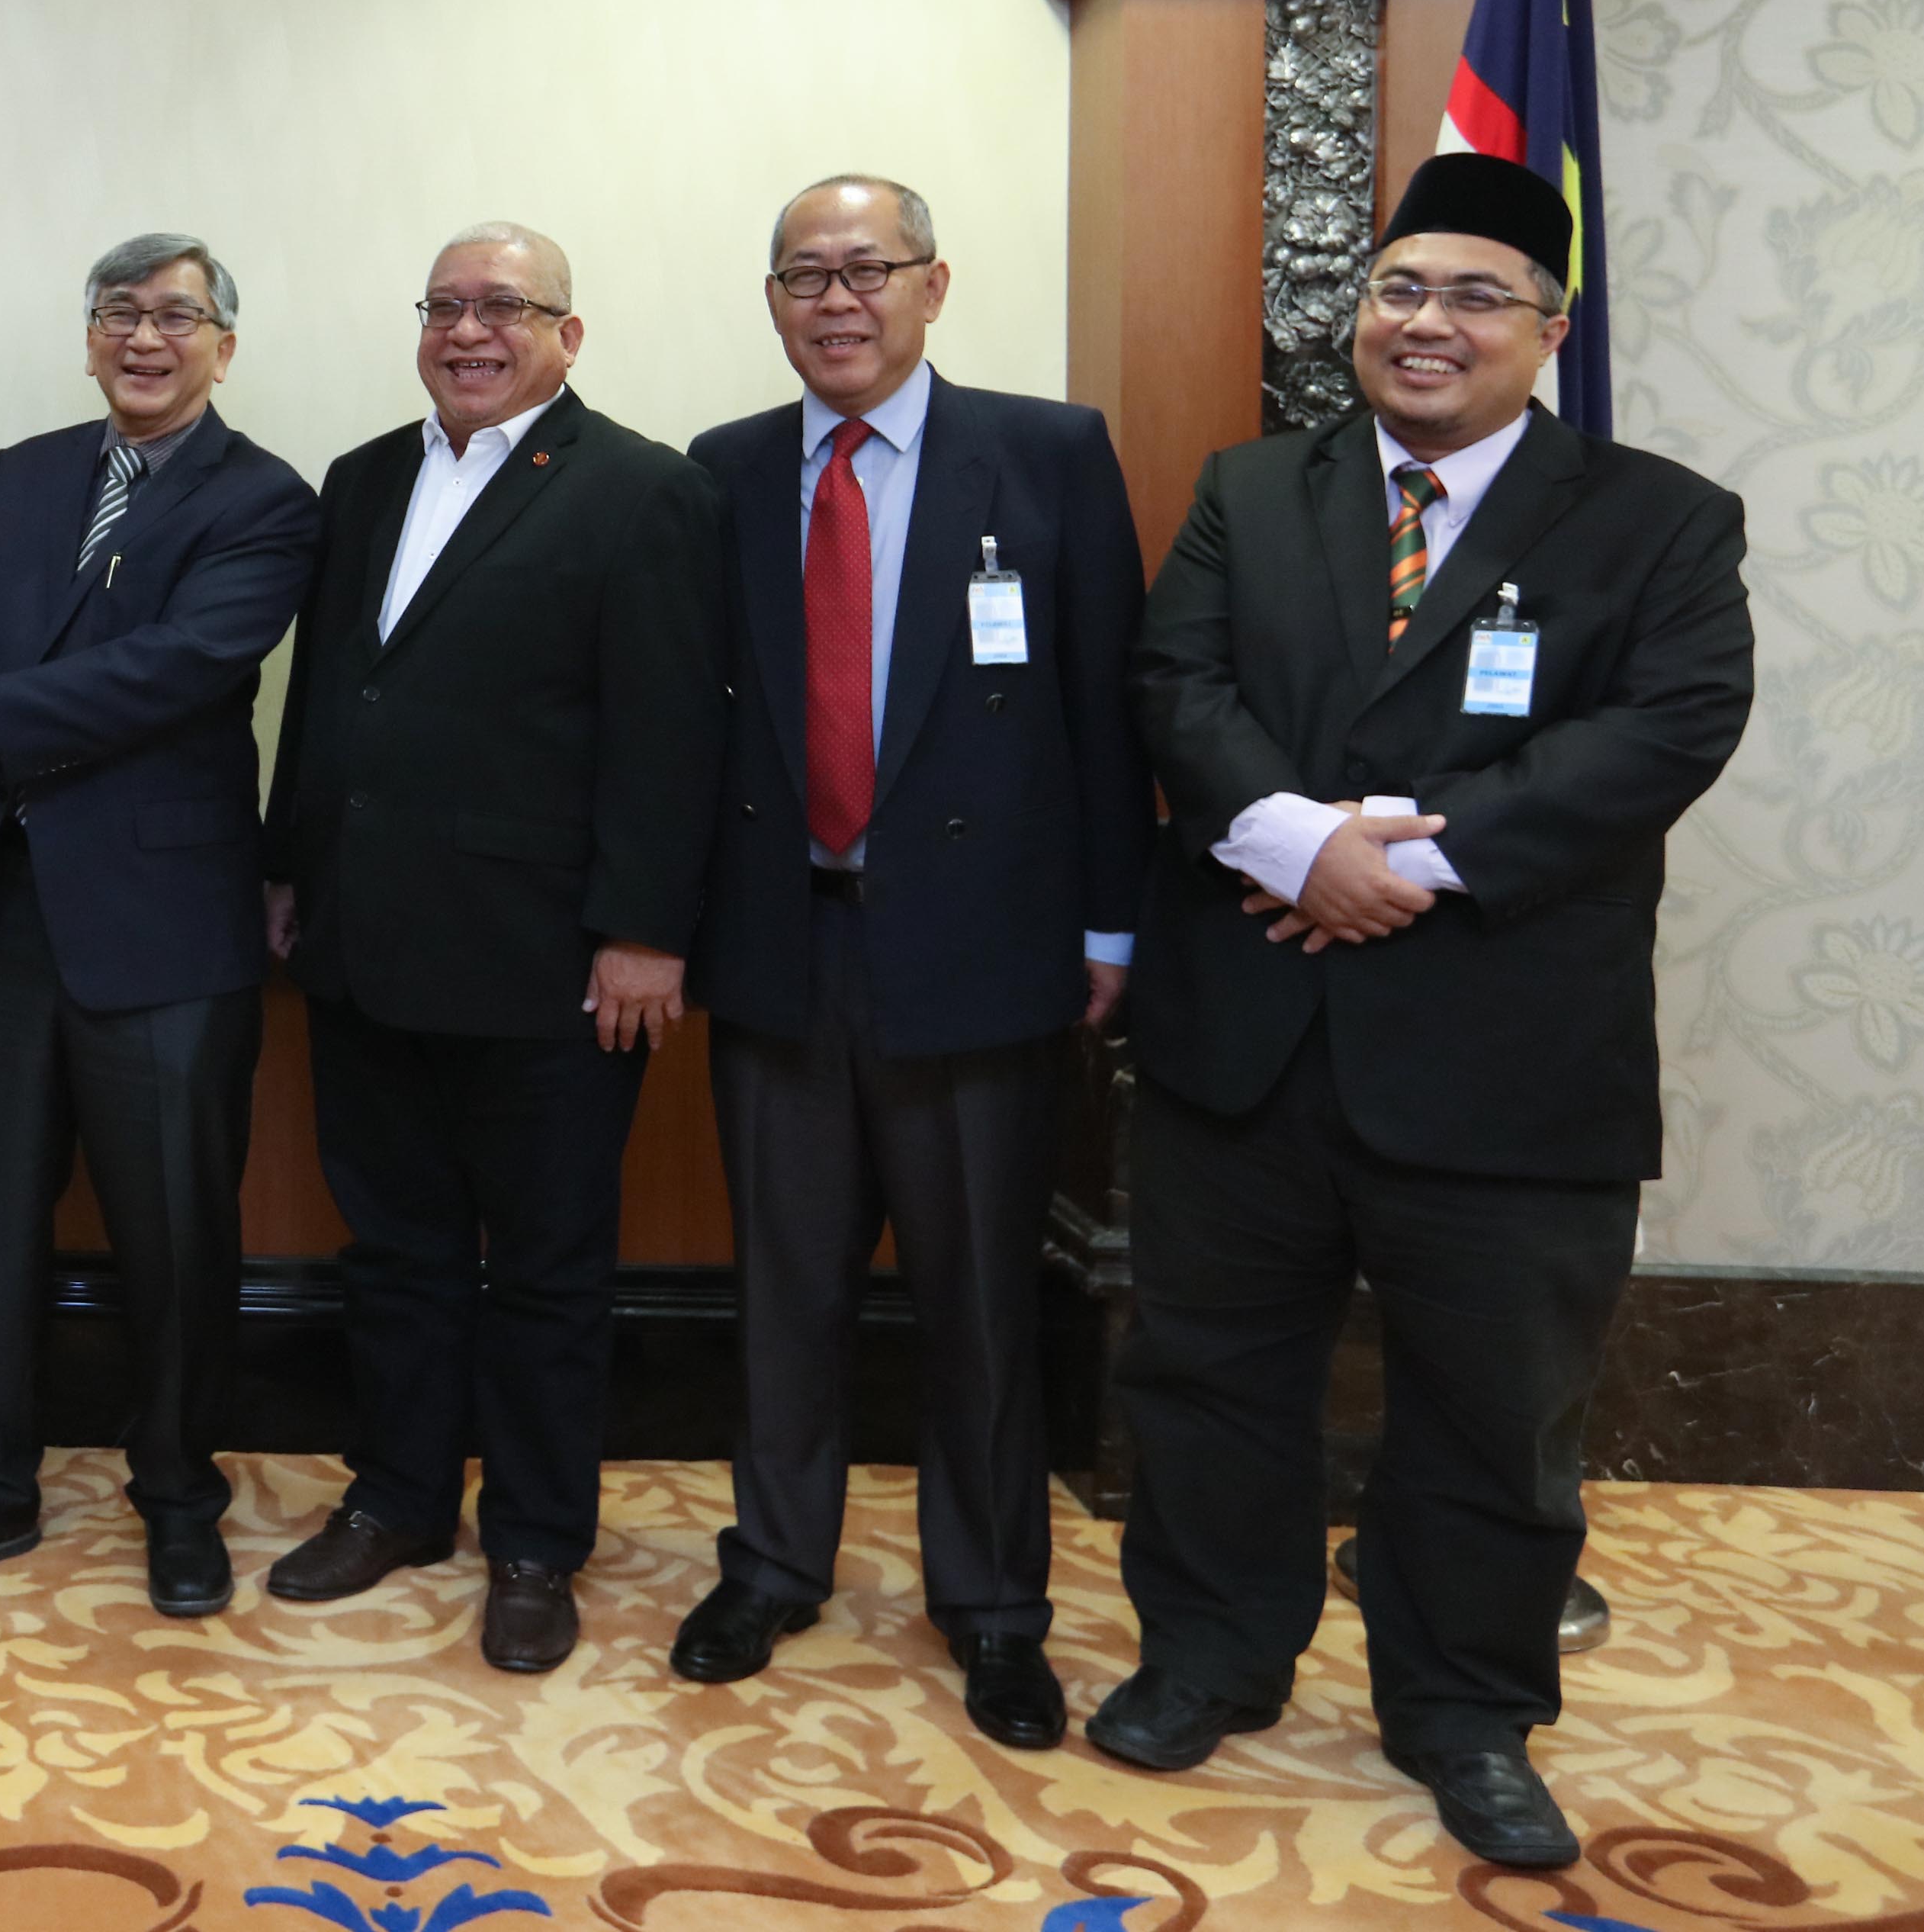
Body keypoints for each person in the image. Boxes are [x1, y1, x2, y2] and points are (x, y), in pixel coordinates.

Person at [1090, 152, 1752, 1871]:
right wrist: (1297, 842)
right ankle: (1208, 1654)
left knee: (1489, 1408)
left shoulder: (1659, 517)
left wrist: (1411, 864)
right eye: (1398, 288)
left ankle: (1465, 1709)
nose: (1425, 322)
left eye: (1472, 294)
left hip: (1507, 1053)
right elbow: (1174, 680)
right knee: (1208, 1378)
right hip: (1248, 1039)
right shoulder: (1253, 485)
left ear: (1547, 329)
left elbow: (1667, 727)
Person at [676, 174, 1150, 1747]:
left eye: (865, 269)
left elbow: (1104, 706)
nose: (836, 301)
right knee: (783, 1286)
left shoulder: (1047, 452)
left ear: (931, 286)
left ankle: (994, 1604)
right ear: (771, 303)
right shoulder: (726, 470)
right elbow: (691, 725)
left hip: (979, 946)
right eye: (802, 275)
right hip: (783, 941)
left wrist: (1108, 923)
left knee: (979, 1303)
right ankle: (770, 1563)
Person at [0, 234, 320, 1612]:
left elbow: (177, 665)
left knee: (176, 1232)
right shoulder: (26, 474)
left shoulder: (266, 500)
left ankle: (177, 1496)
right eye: (118, 314)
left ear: (224, 347)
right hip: (1, 914)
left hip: (164, 928)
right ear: (87, 336)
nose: (144, 339)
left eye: (176, 317)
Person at [257, 220, 727, 1673]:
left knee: (543, 1268)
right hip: (362, 943)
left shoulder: (644, 489)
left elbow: (670, 728)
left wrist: (644, 930)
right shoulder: (361, 480)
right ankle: (398, 1499)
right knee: (392, 1251)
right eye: (446, 307)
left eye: (505, 307)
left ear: (566, 336)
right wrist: (288, 866)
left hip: (548, 966)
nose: (469, 331)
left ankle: (533, 1541)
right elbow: (329, 696)